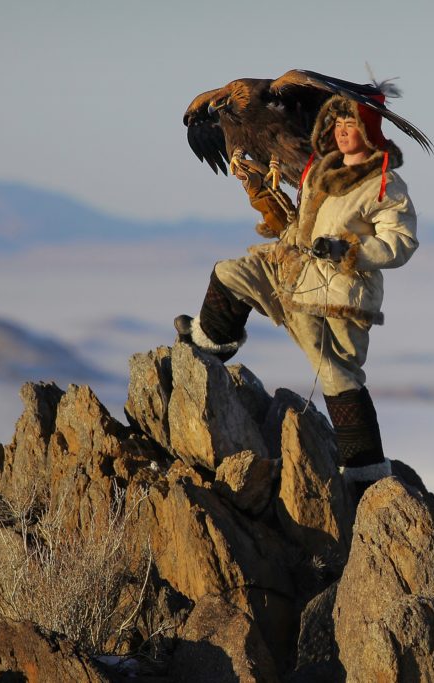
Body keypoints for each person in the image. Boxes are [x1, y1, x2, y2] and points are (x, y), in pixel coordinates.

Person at [176, 94, 417, 490]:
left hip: (338, 293)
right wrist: (266, 202)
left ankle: (365, 475)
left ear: (369, 133)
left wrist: (348, 249)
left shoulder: (384, 185)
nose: (341, 132)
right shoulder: (318, 169)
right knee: (231, 275)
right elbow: (297, 226)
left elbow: (400, 243)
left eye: (351, 125)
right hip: (292, 271)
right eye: (337, 125)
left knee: (338, 377)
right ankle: (203, 357)